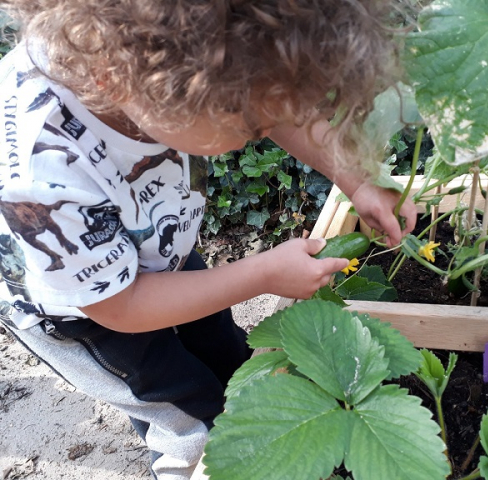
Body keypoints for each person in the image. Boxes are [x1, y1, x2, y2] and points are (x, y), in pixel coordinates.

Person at [0, 1, 417, 478]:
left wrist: (357, 178)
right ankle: (192, 459)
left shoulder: (162, 70)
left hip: (157, 246)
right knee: (191, 414)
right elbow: (120, 305)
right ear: (121, 83)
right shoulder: (40, 172)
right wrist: (260, 273)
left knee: (225, 351)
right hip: (86, 314)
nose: (260, 133)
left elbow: (273, 105)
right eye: (248, 128)